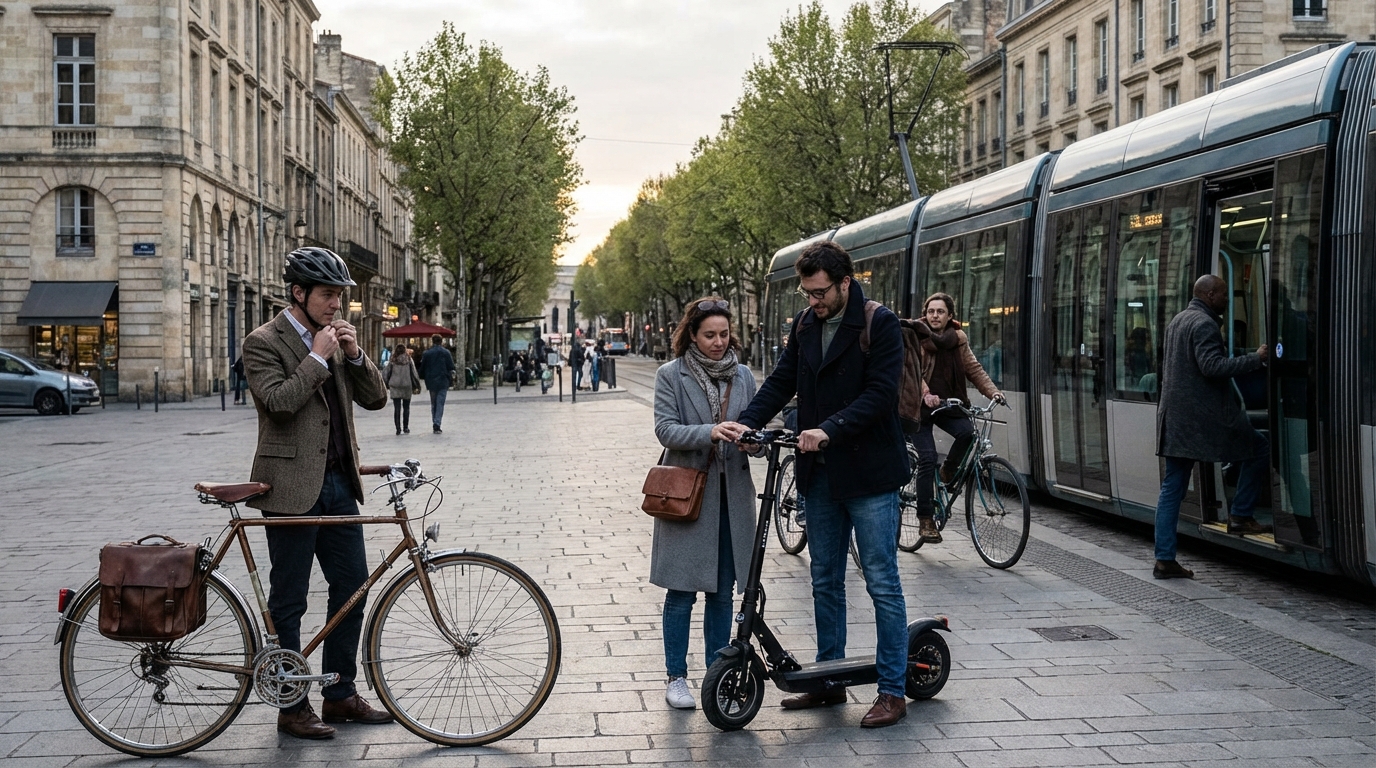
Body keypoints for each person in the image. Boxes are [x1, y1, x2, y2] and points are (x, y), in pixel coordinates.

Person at [723, 240, 910, 728]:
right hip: (821, 476)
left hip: (868, 474)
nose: (814, 301)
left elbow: (880, 395)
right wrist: (748, 422)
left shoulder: (879, 323)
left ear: (845, 282)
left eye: (820, 292)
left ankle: (893, 690)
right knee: (824, 579)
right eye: (807, 293)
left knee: (881, 581)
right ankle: (829, 682)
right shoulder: (806, 325)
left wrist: (829, 428)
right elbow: (782, 380)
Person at [240, 247, 392, 739]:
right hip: (288, 489)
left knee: (353, 589)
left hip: (338, 486)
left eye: (342, 297)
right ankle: (292, 705)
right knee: (290, 601)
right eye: (328, 295)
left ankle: (341, 694)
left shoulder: (338, 340)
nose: (337, 306)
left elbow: (376, 399)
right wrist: (317, 358)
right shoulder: (263, 342)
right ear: (298, 294)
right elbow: (281, 404)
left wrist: (354, 354)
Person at [651, 297, 758, 711]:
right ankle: (676, 677)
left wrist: (754, 442)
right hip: (688, 497)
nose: (718, 342)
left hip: (733, 500)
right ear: (692, 335)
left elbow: (757, 428)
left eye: (724, 334)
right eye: (709, 335)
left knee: (723, 594)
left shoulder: (744, 376)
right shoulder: (671, 375)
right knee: (681, 593)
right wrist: (710, 432)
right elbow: (665, 429)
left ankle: (719, 676)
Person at [1153, 274, 1271, 579]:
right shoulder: (1204, 324)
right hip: (1201, 420)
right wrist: (1255, 359)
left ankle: (1164, 558)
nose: (1226, 300)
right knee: (1259, 448)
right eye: (1222, 295)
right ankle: (1242, 514)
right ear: (1208, 295)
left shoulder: (1178, 320)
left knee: (1172, 487)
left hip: (1177, 419)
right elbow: (1212, 367)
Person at [910, 293, 1004, 544]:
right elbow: (910, 370)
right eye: (931, 311)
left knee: (968, 433)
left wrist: (992, 391)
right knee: (927, 457)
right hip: (920, 407)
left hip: (949, 403)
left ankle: (948, 472)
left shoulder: (958, 339)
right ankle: (926, 519)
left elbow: (973, 368)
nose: (935, 316)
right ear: (925, 313)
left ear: (950, 316)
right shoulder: (916, 336)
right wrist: (926, 393)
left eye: (940, 312)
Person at [382, 344, 421, 435]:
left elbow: (386, 372)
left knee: (397, 408)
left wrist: (386, 383)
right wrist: (417, 384)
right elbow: (414, 372)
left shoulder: (392, 360)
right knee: (406, 407)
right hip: (407, 385)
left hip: (395, 385)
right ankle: (406, 427)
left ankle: (398, 428)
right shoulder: (409, 360)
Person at [421, 334, 455, 434]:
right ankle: (437, 423)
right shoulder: (446, 352)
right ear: (441, 341)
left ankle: (435, 422)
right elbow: (451, 366)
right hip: (443, 381)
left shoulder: (427, 353)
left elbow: (423, 368)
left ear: (432, 341)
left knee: (433, 403)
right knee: (440, 403)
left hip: (431, 381)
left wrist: (423, 376)